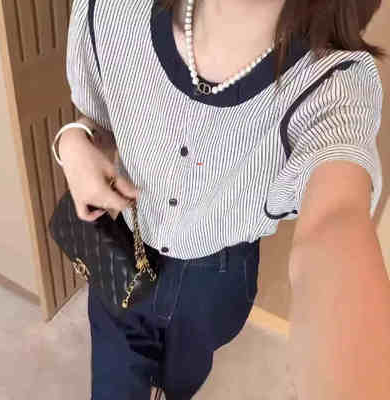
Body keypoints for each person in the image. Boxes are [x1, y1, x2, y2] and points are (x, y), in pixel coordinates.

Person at [54, 0, 390, 399]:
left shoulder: (333, 84)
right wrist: (72, 142)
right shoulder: (111, 10)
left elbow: (337, 220)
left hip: (215, 278)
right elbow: (99, 120)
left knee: (181, 380)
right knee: (113, 383)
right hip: (123, 246)